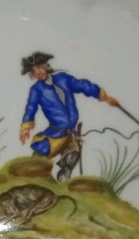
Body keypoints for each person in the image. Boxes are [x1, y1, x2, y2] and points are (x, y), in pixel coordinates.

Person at [19, 52, 120, 181]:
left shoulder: (63, 79)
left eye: (39, 67)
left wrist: (103, 96)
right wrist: (25, 128)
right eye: (33, 71)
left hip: (70, 135)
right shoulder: (36, 89)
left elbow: (82, 85)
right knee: (39, 158)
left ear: (46, 66)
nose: (37, 72)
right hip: (54, 135)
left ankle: (63, 183)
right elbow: (31, 107)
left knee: (71, 159)